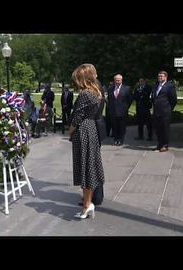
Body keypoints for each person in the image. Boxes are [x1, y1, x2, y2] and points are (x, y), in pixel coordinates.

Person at [69, 63, 105, 219]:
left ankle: (87, 204)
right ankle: (88, 203)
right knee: (89, 167)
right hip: (90, 129)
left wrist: (70, 131)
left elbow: (77, 117)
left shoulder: (85, 94)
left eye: (77, 78)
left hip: (83, 130)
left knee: (85, 167)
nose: (76, 82)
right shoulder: (95, 92)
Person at [152, 71, 177, 152]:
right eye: (159, 76)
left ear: (166, 77)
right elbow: (154, 97)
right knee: (157, 129)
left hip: (165, 111)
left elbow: (173, 99)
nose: (160, 78)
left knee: (165, 129)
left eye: (161, 76)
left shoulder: (170, 86)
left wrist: (169, 108)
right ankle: (159, 144)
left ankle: (165, 145)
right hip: (156, 111)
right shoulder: (156, 86)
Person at [107, 74, 132, 146]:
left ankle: (120, 140)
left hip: (122, 111)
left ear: (121, 80)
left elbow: (130, 100)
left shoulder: (126, 88)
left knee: (122, 127)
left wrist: (126, 107)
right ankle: (116, 139)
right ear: (114, 80)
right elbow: (110, 99)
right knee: (115, 126)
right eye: (116, 80)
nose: (117, 81)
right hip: (113, 111)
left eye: (119, 80)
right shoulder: (110, 89)